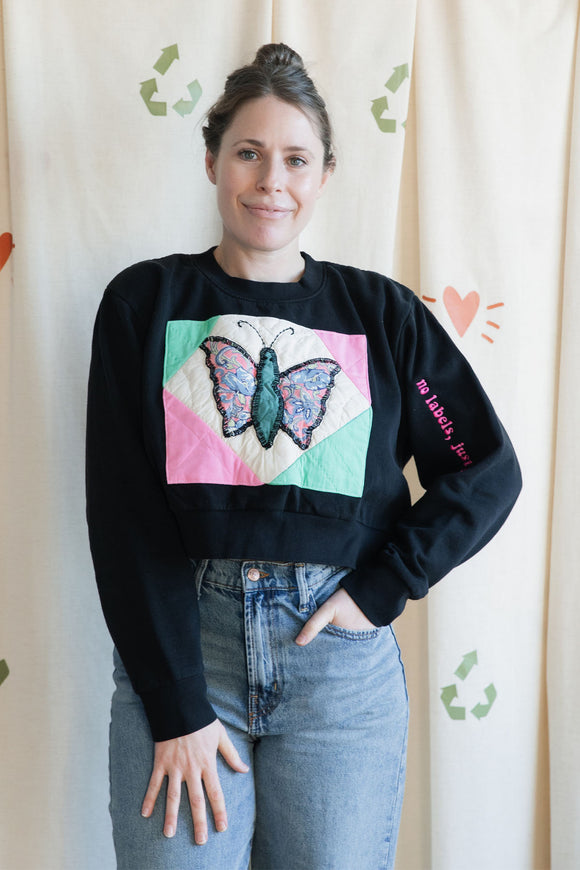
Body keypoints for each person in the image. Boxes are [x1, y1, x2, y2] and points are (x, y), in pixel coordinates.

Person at [86, 43, 521, 870]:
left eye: (296, 158)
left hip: (338, 674)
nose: (270, 180)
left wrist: (384, 587)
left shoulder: (382, 315)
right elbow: (121, 512)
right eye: (248, 152)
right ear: (212, 159)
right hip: (183, 654)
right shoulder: (145, 303)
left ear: (325, 174)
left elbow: (484, 469)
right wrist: (177, 704)